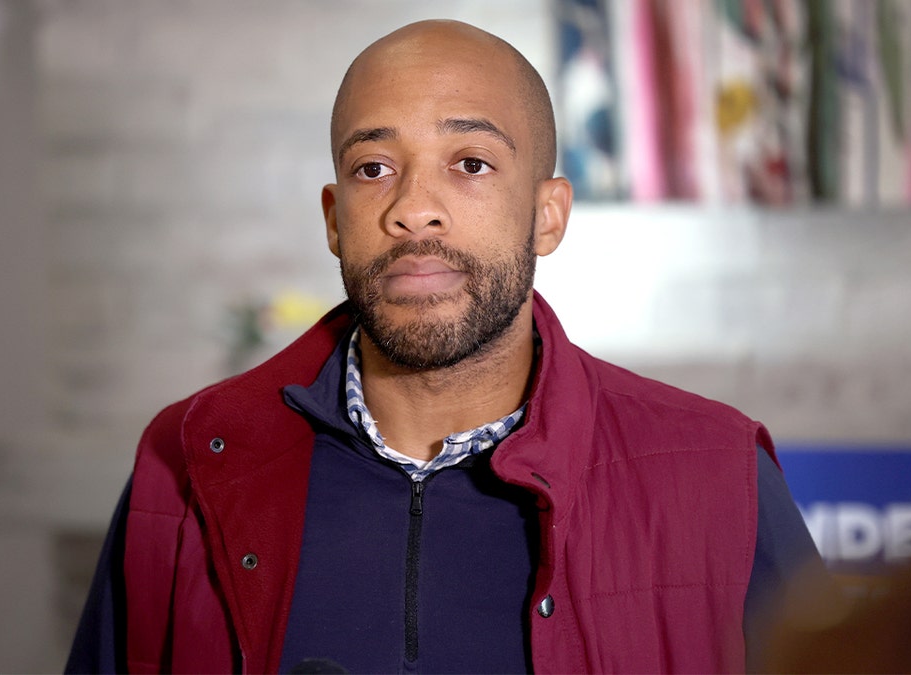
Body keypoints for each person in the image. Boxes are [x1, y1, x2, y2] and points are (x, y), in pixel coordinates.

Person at [66, 19, 823, 674]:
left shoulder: (718, 473)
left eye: (470, 164)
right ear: (334, 217)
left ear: (548, 214)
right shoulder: (193, 459)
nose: (414, 210)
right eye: (374, 169)